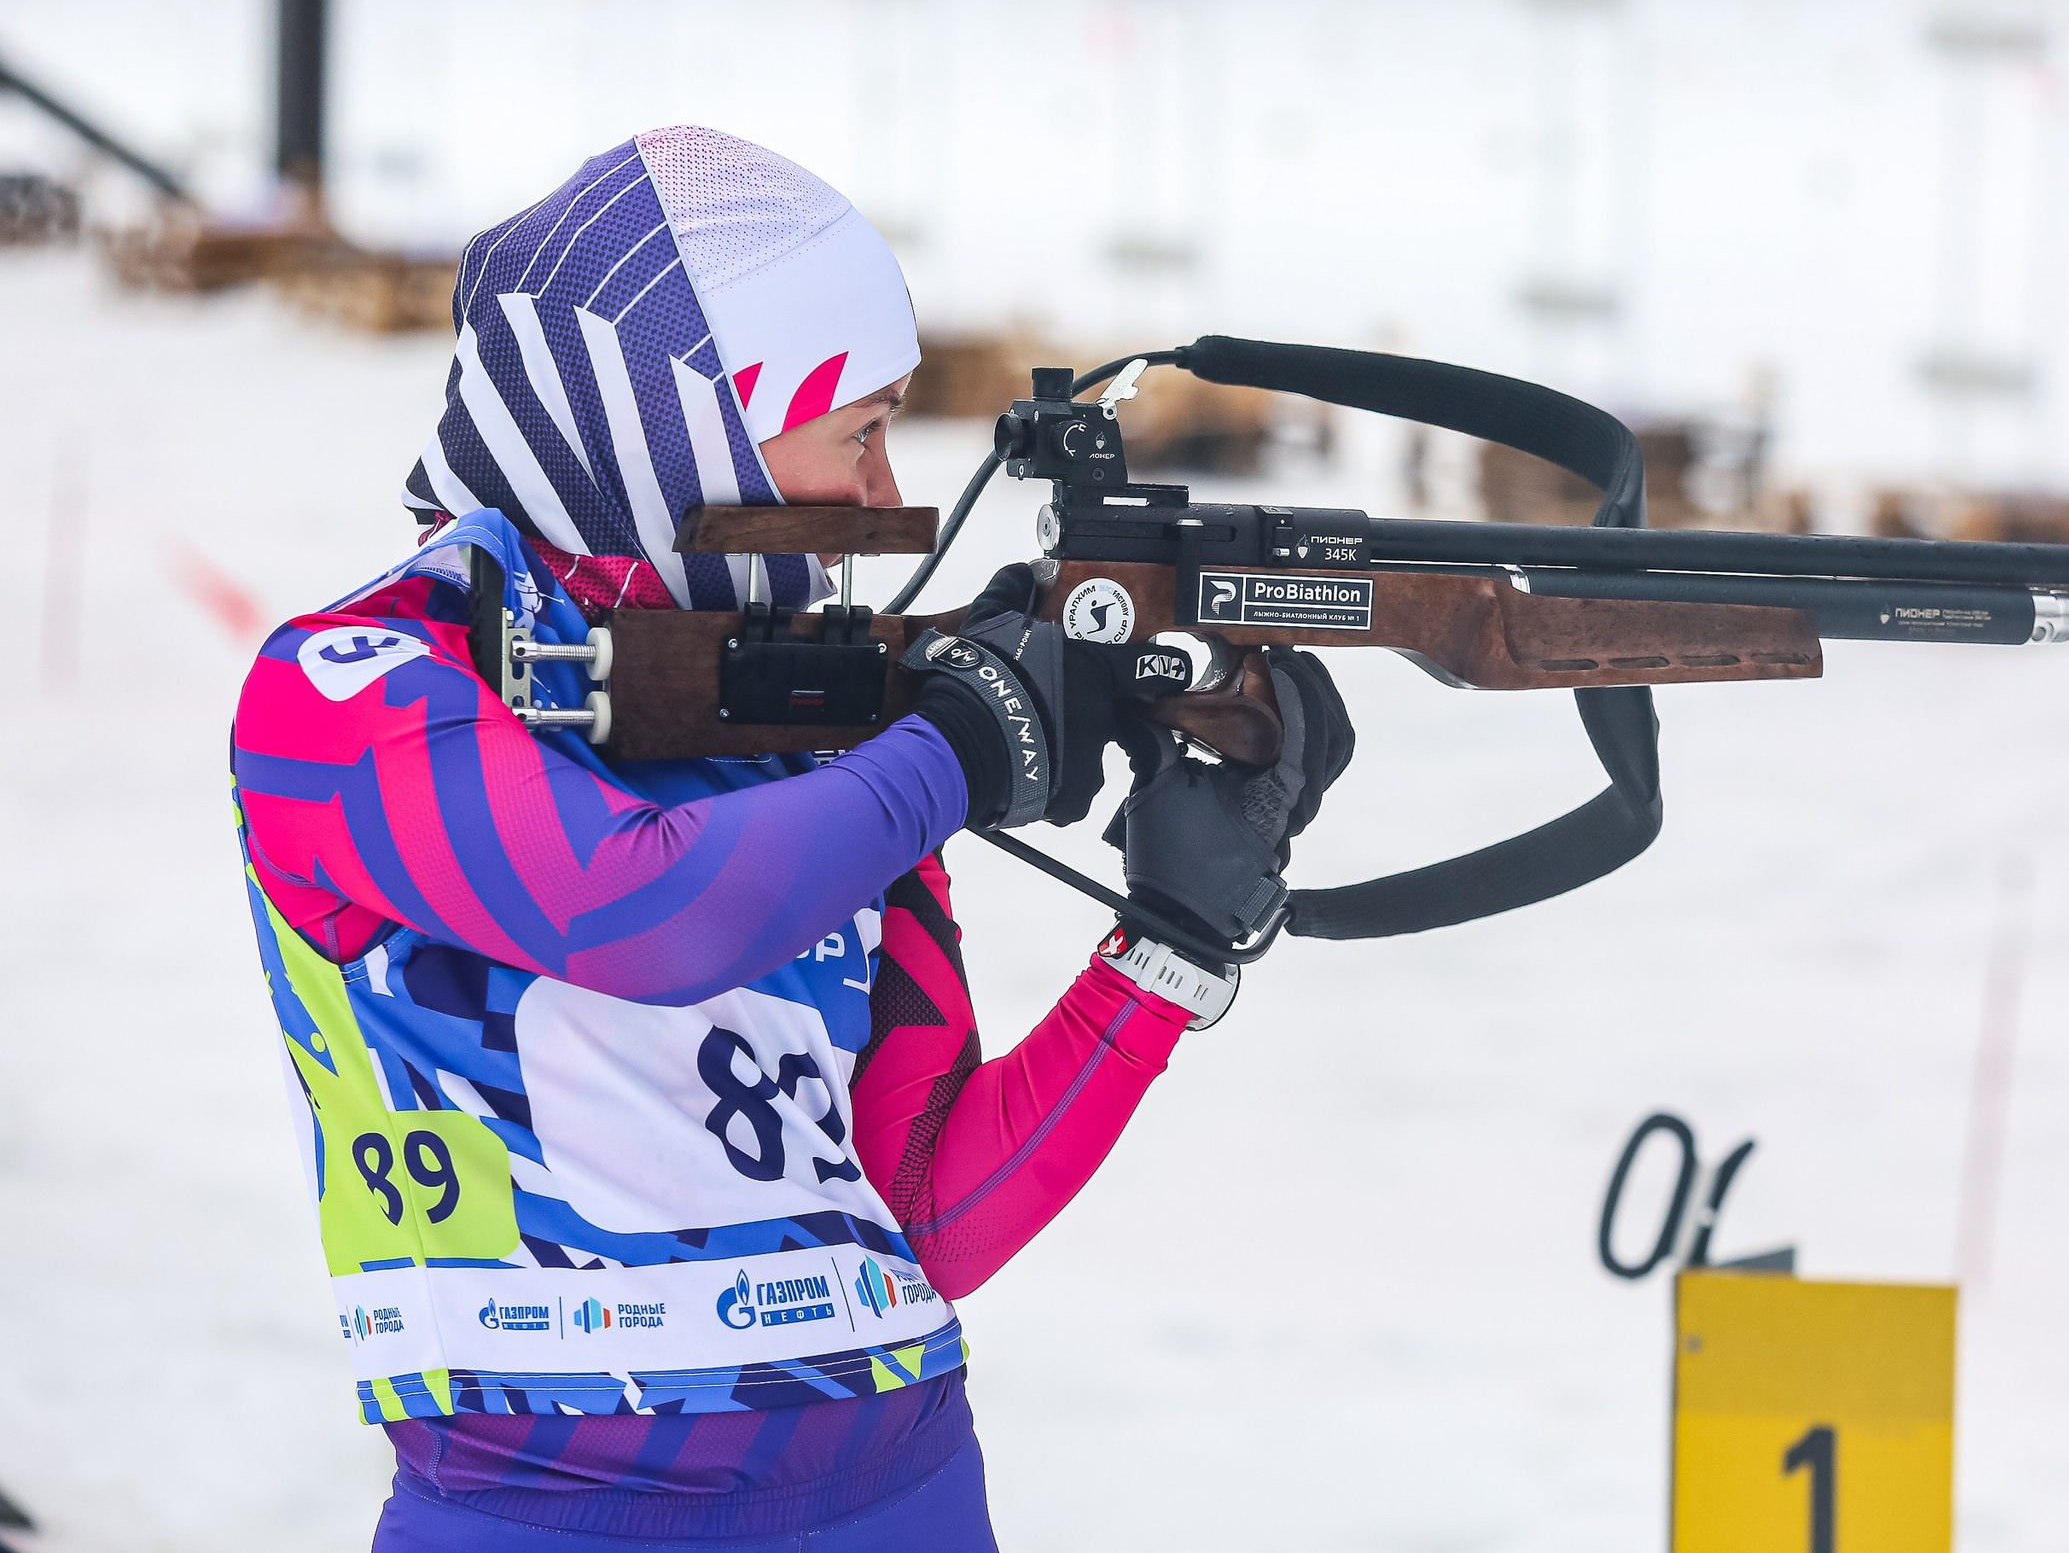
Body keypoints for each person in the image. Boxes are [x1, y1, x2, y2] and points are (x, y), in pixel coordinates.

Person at [229, 127, 1352, 1551]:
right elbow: (642, 915)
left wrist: (1170, 949)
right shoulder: (353, 690)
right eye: (859, 433)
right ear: (681, 429)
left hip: (904, 1493)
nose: (887, 502)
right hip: (535, 1519)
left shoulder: (830, 729)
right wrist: (956, 745)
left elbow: (928, 1211)